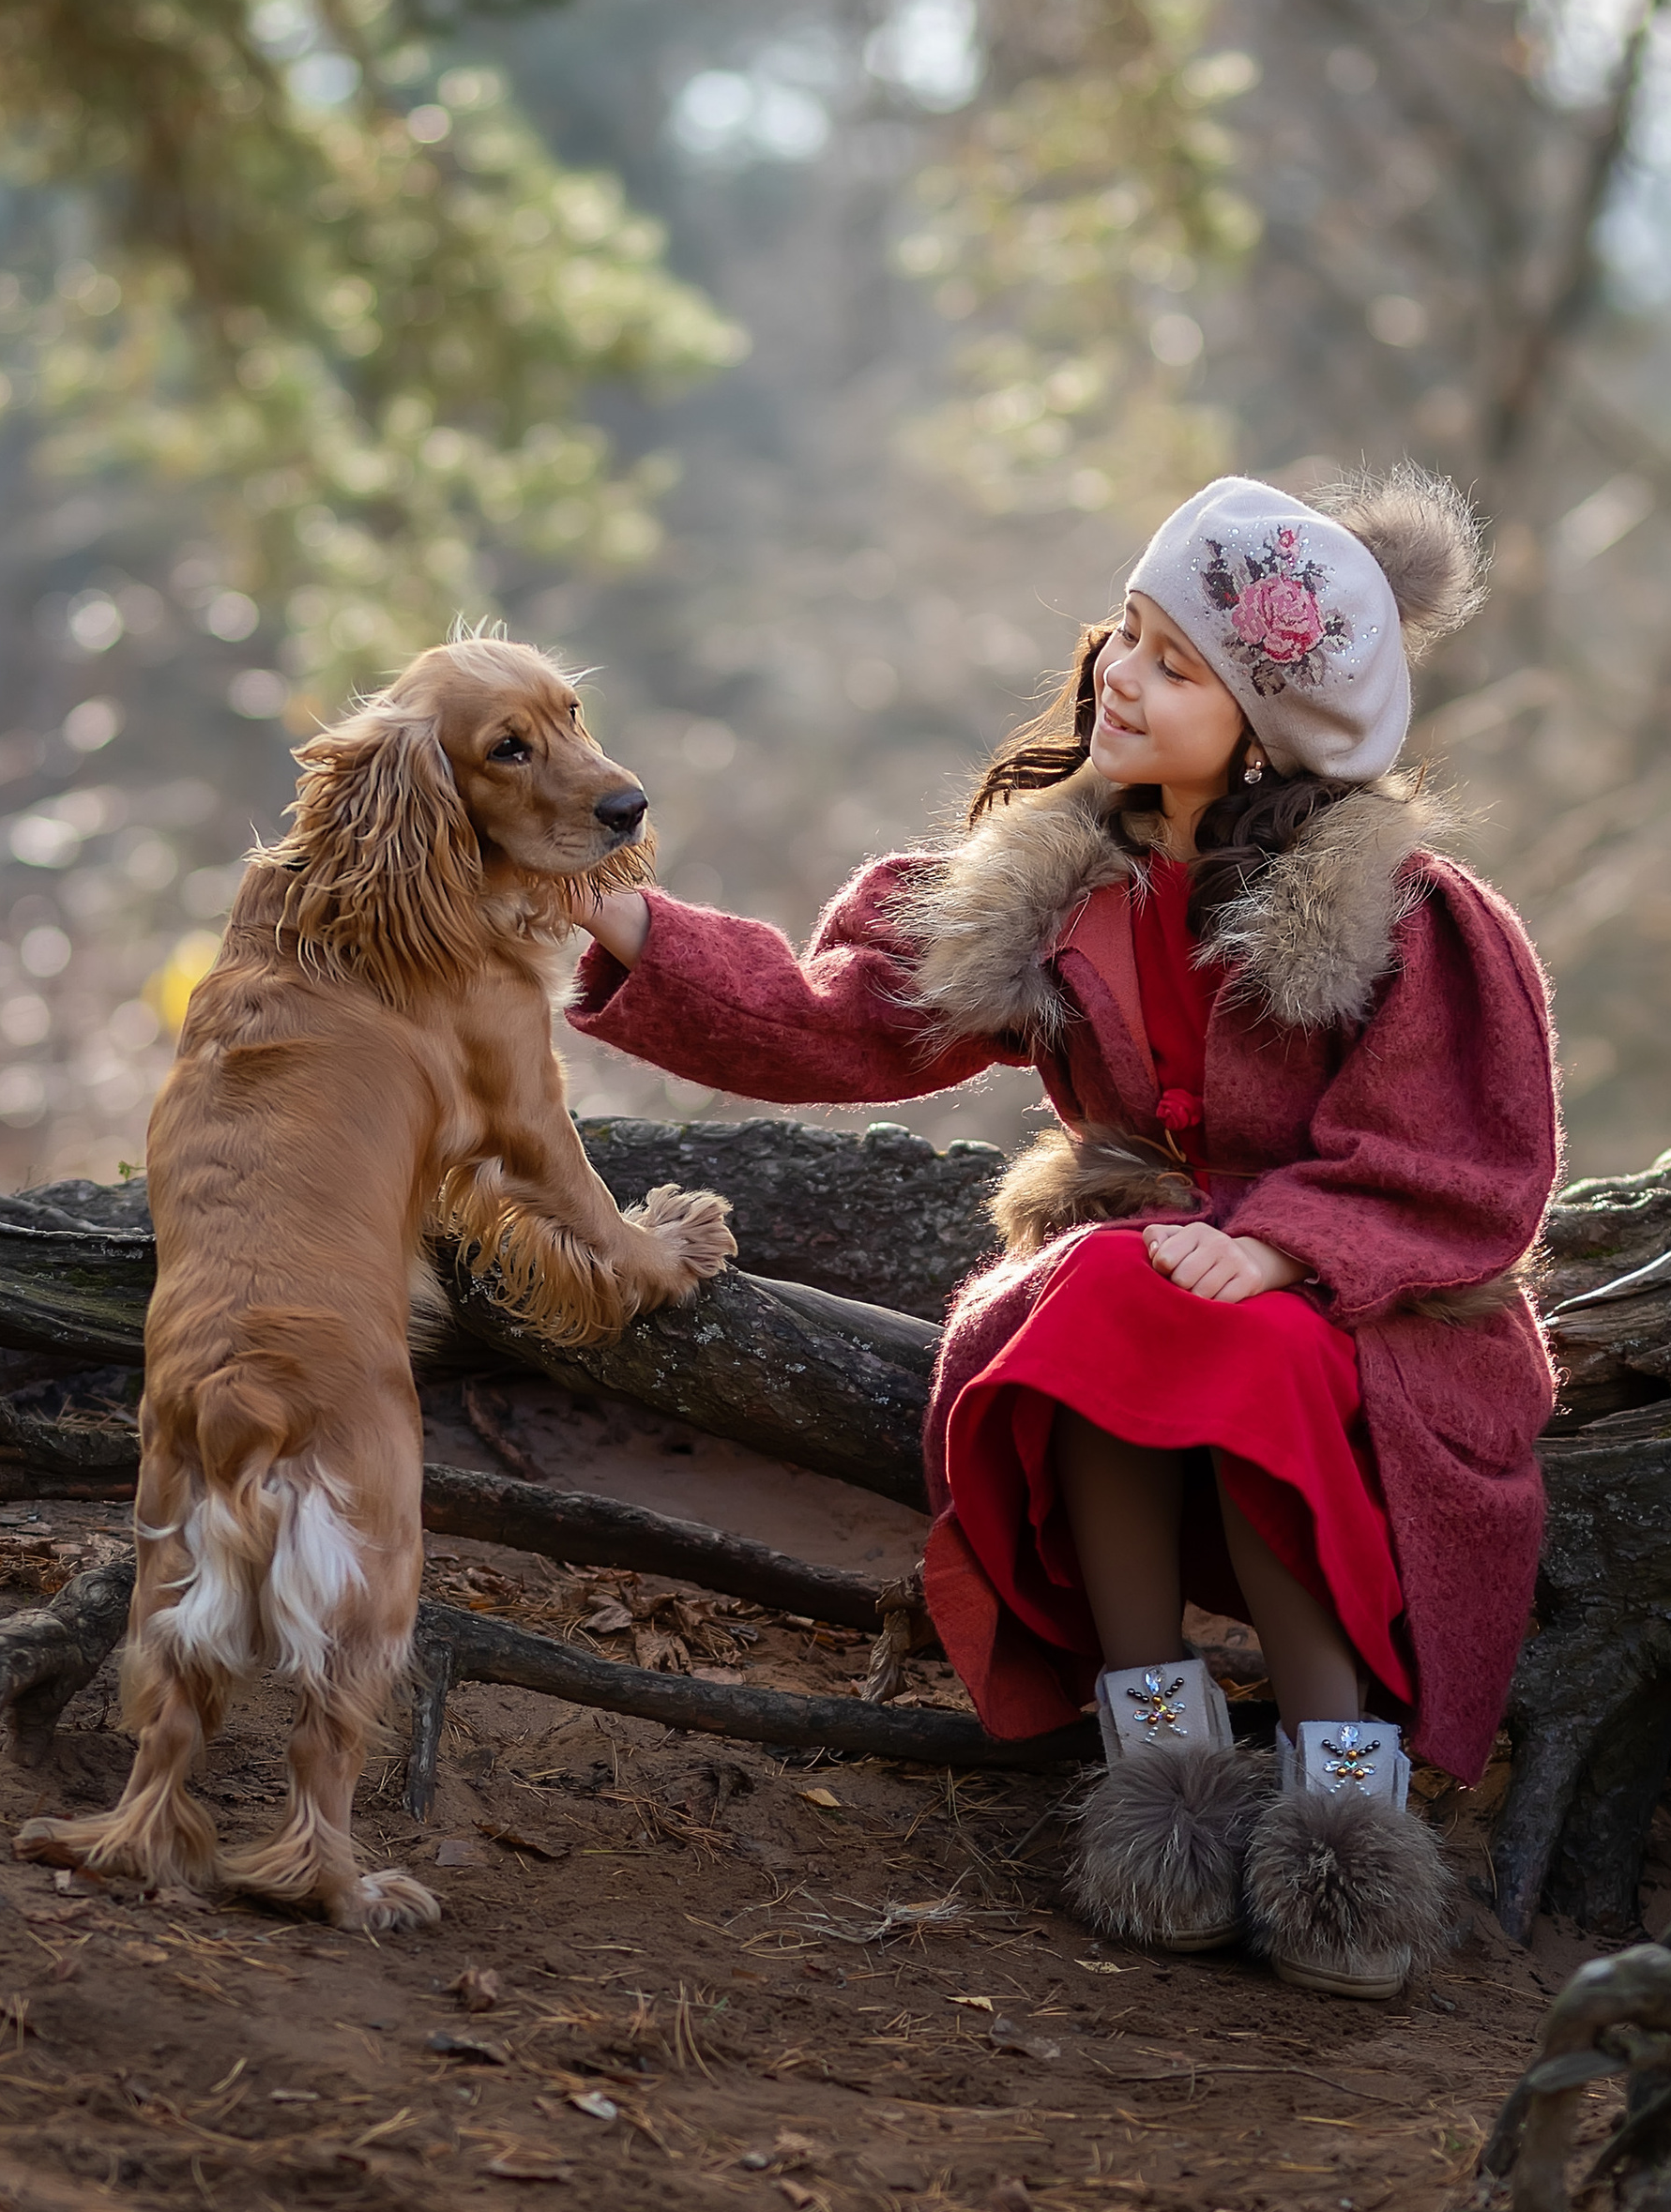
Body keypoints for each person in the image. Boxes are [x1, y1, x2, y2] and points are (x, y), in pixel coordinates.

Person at [570, 470, 1559, 1994]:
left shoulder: (1405, 914)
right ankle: (1162, 1778)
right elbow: (848, 1024)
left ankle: (1342, 1814)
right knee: (1090, 1305)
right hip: (1142, 1265)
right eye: (1128, 634)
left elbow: (1464, 1159)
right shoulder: (1058, 878)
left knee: (1248, 1362)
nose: (1121, 676)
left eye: (1178, 666)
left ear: (1269, 723)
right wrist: (625, 920)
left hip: (1366, 1307)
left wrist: (1288, 1244)